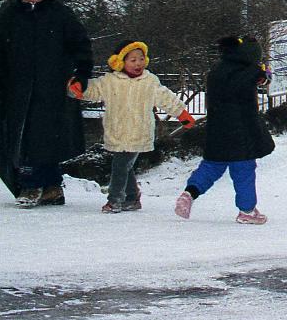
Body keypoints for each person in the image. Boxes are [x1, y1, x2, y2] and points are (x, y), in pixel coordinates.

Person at [0, 0, 93, 208]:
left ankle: (52, 186)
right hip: (18, 89)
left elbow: (81, 46)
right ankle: (30, 185)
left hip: (53, 86)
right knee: (24, 137)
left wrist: (81, 74)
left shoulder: (61, 14)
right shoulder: (8, 18)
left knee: (49, 136)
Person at [71, 41, 195, 213]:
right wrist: (78, 88)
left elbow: (166, 98)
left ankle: (115, 200)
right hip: (117, 131)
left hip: (138, 132)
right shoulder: (110, 81)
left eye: (141, 59)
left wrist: (182, 114)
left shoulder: (149, 81)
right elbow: (93, 89)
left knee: (120, 165)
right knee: (125, 166)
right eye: (133, 60)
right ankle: (132, 197)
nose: (138, 63)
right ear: (120, 62)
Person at [174, 36, 275, 224]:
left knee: (211, 167)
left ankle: (190, 193)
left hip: (216, 131)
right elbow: (263, 78)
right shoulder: (251, 71)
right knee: (243, 171)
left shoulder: (216, 71)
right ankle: (247, 211)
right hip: (242, 133)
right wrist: (264, 73)